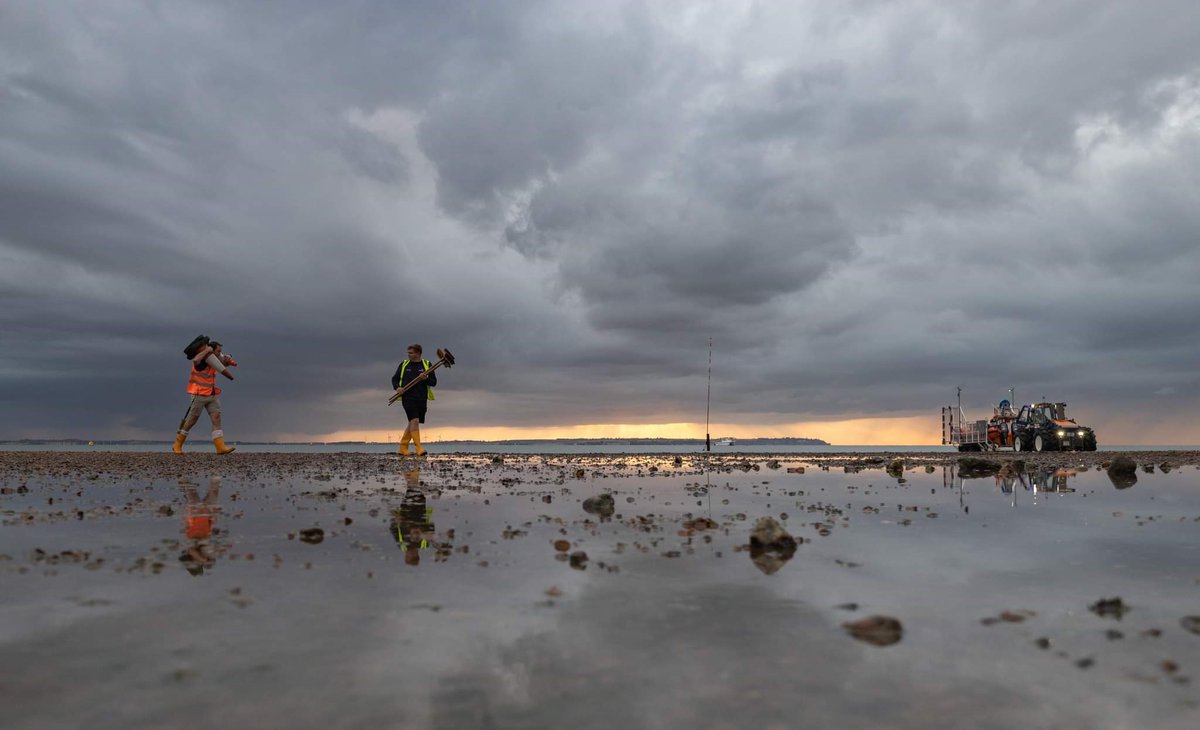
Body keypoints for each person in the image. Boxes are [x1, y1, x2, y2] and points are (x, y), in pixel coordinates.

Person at [173, 336, 238, 454]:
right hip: (199, 394)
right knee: (192, 420)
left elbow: (223, 365)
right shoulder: (201, 361)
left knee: (216, 418)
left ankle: (220, 447)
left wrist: (229, 359)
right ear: (211, 350)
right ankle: (177, 444)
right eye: (218, 351)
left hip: (212, 393)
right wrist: (207, 351)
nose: (220, 353)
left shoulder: (214, 359)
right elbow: (195, 360)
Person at [391, 343, 437, 456]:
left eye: (411, 353)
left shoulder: (427, 365)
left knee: (413, 422)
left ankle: (403, 447)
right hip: (407, 397)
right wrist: (398, 388)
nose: (408, 355)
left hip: (422, 398)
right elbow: (394, 379)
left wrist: (426, 378)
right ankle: (419, 448)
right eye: (408, 353)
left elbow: (434, 382)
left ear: (418, 353)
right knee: (414, 420)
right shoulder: (404, 364)